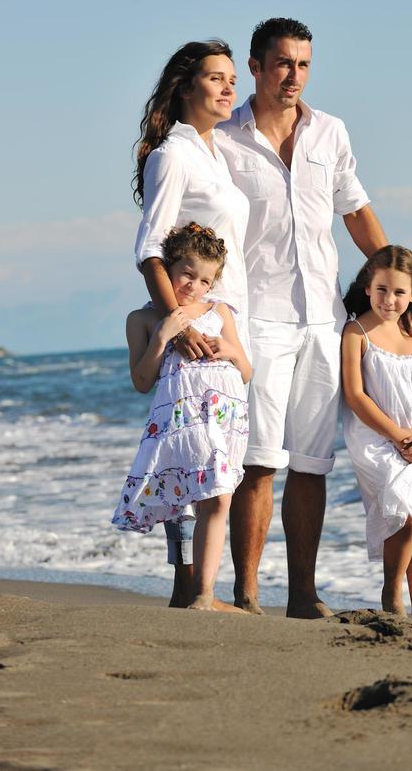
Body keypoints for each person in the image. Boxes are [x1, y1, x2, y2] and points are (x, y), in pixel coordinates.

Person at [217, 18, 388, 618]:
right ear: (257, 67)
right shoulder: (223, 139)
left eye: (305, 64)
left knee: (312, 464)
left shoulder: (330, 133)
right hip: (256, 318)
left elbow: (356, 211)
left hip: (322, 318)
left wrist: (398, 278)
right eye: (284, 63)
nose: (295, 76)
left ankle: (301, 594)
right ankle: (246, 592)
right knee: (258, 461)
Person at [132, 40, 250, 606]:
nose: (230, 88)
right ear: (185, 88)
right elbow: (150, 247)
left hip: (221, 323)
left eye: (232, 79)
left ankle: (196, 588)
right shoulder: (173, 155)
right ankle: (189, 589)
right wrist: (179, 327)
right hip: (192, 331)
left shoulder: (214, 153)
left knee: (211, 458)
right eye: (216, 78)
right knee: (192, 456)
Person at [112, 222, 252, 612]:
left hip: (226, 417)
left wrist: (228, 348)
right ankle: (200, 592)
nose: (194, 286)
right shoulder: (140, 320)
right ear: (167, 270)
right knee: (204, 499)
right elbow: (141, 381)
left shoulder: (219, 311)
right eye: (186, 274)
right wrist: (162, 336)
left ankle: (203, 594)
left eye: (205, 280)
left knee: (217, 500)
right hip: (183, 420)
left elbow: (246, 370)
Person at [340, 244, 412, 631]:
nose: (390, 300)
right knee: (404, 516)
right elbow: (355, 395)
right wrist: (397, 435)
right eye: (382, 290)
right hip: (376, 438)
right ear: (368, 288)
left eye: (399, 292)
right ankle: (392, 594)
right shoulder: (357, 332)